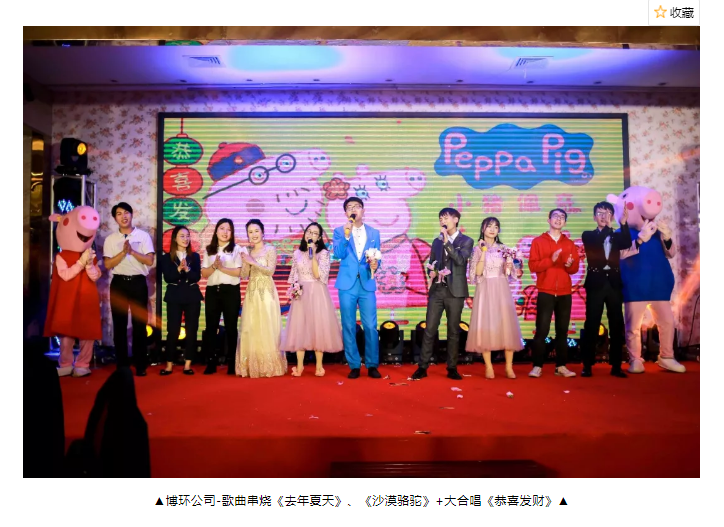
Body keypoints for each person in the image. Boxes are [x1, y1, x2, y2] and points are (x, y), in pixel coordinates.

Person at [411, 207, 474, 381]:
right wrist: (431, 271)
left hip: (455, 292)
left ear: (456, 220)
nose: (443, 221)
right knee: (430, 329)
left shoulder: (466, 241)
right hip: (437, 290)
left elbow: (460, 260)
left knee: (453, 331)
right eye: (440, 218)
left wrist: (447, 242)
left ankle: (452, 367)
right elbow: (432, 263)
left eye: (446, 218)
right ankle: (422, 366)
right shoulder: (436, 242)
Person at [44, 205, 102, 378]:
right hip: (67, 298)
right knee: (66, 333)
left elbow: (95, 276)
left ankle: (83, 364)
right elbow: (65, 275)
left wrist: (89, 264)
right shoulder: (61, 256)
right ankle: (65, 364)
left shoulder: (90, 254)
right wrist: (81, 263)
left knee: (88, 332)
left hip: (87, 298)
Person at [466, 217, 524, 379]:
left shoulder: (504, 249)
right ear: (482, 229)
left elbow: (511, 274)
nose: (492, 229)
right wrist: (484, 251)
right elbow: (477, 272)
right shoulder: (477, 249)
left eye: (496, 227)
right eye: (489, 226)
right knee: (486, 325)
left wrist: (510, 266)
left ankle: (509, 367)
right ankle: (489, 366)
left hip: (501, 288)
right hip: (485, 288)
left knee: (506, 325)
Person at [282, 222, 343, 377]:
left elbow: (318, 275)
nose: (311, 235)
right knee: (299, 328)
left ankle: (319, 366)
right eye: (309, 231)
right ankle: (299, 366)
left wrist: (313, 254)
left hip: (317, 293)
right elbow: (294, 276)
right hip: (301, 293)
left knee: (318, 327)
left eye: (315, 233)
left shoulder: (323, 253)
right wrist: (294, 289)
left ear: (319, 238)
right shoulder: (297, 253)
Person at [580, 201, 632, 378]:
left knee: (616, 324)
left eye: (608, 213)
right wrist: (610, 229)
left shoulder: (616, 236)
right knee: (592, 324)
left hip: (614, 284)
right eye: (600, 213)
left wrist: (623, 223)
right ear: (594, 217)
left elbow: (626, 243)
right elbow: (599, 241)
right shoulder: (588, 235)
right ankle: (587, 365)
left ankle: (616, 366)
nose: (604, 217)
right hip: (596, 284)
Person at [332, 197, 383, 379]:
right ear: (346, 213)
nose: (353, 209)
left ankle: (372, 364)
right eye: (349, 207)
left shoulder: (374, 232)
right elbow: (338, 254)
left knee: (370, 326)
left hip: (367, 283)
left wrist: (376, 264)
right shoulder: (339, 231)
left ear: (363, 210)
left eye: (357, 206)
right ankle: (354, 364)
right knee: (348, 325)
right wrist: (346, 236)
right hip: (347, 284)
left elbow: (377, 257)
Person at [103, 202, 155, 377]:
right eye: (119, 214)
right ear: (115, 218)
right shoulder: (110, 239)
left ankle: (140, 365)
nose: (123, 216)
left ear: (132, 215)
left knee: (140, 325)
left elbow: (149, 261)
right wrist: (122, 253)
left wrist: (132, 252)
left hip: (138, 283)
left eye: (126, 212)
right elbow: (108, 264)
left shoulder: (143, 236)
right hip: (119, 284)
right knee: (119, 325)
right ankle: (122, 365)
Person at [527, 208, 580, 378]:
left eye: (562, 217)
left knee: (562, 331)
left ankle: (561, 366)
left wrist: (570, 265)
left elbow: (574, 269)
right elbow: (533, 266)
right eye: (555, 216)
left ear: (565, 222)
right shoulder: (538, 241)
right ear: (549, 220)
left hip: (564, 292)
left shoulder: (569, 244)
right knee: (541, 330)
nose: (559, 219)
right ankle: (537, 366)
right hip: (546, 291)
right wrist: (551, 260)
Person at [236, 219, 288, 378]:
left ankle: (270, 365)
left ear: (262, 232)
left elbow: (270, 270)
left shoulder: (270, 249)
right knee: (251, 326)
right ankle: (252, 365)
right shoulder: (248, 252)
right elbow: (244, 275)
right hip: (252, 292)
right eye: (250, 232)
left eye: (256, 231)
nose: (253, 234)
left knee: (267, 326)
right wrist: (245, 261)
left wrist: (253, 262)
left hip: (266, 292)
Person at [200, 218, 243, 375]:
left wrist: (222, 268)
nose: (225, 232)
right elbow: (204, 273)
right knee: (211, 327)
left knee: (231, 327)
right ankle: (211, 362)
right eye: (222, 228)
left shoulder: (237, 249)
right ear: (216, 231)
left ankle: (232, 362)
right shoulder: (209, 249)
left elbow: (238, 272)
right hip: (213, 291)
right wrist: (214, 266)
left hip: (231, 291)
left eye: (228, 229)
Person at [159, 225, 202, 376]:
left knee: (192, 330)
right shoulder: (166, 257)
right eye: (182, 236)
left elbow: (196, 277)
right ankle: (169, 365)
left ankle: (188, 364)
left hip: (192, 296)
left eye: (187, 236)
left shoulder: (194, 257)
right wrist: (178, 269)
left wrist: (187, 269)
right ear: (175, 239)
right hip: (174, 296)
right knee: (173, 330)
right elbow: (168, 277)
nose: (186, 239)